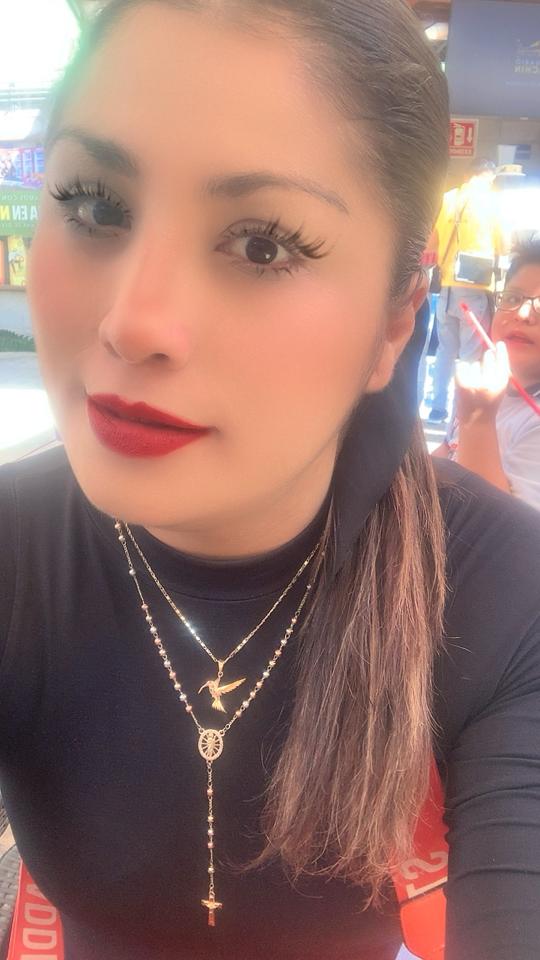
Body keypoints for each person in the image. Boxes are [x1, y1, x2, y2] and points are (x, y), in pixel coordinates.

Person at [0, 3, 540, 959]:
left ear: (394, 322)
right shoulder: (16, 555)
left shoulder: (500, 589)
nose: (132, 322)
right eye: (94, 205)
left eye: (261, 245)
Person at [434, 240, 540, 511]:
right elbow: (447, 451)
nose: (523, 314)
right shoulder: (484, 385)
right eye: (513, 298)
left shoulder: (532, 422)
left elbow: (505, 525)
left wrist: (478, 421)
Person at [428, 158, 501, 422]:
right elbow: (504, 243)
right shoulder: (492, 201)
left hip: (446, 288)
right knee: (470, 355)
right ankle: (460, 416)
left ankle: (437, 407)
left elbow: (433, 241)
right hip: (474, 287)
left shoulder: (448, 198)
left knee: (445, 351)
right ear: (488, 176)